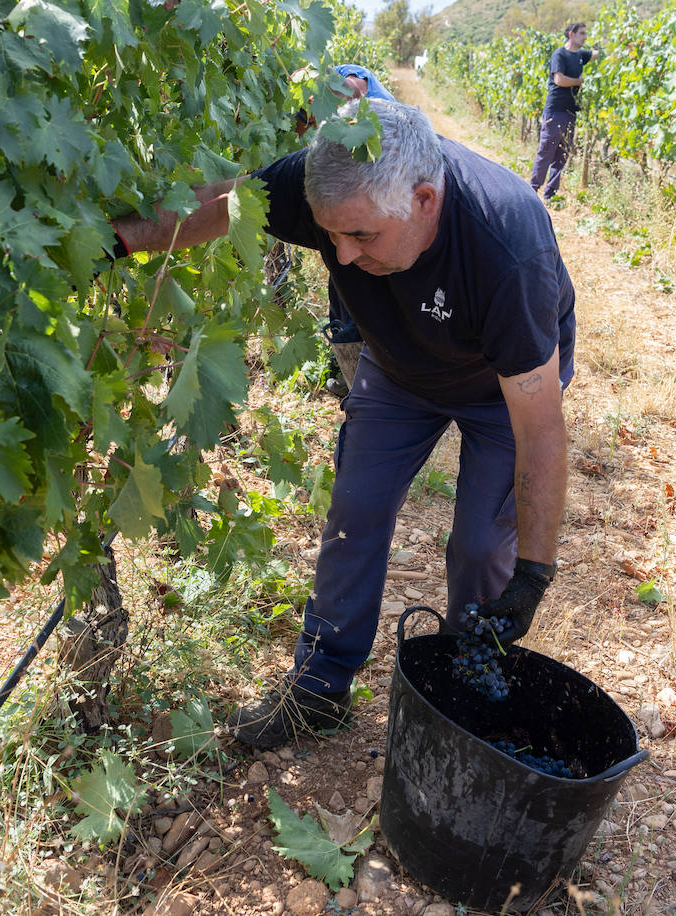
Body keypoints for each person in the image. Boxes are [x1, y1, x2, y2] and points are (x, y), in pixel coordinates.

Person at [112, 98, 574, 749]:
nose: (344, 257)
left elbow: (541, 429)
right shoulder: (327, 189)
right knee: (354, 512)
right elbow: (217, 205)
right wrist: (122, 239)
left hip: (499, 390)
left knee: (479, 546)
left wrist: (536, 572)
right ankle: (318, 690)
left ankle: (467, 689)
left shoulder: (507, 247)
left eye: (362, 236)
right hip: (397, 370)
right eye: (331, 236)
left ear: (424, 200)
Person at [289, 65, 398, 398]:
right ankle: (361, 377)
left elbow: (347, 89)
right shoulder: (348, 81)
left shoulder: (373, 114)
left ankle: (363, 387)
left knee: (354, 287)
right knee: (347, 287)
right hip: (364, 215)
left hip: (367, 214)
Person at [530, 22, 600, 202]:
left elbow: (595, 55)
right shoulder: (559, 54)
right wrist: (579, 81)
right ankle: (532, 191)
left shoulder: (580, 55)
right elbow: (559, 80)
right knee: (546, 152)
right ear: (571, 34)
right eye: (582, 33)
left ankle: (549, 195)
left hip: (570, 112)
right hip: (555, 111)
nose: (585, 36)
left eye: (586, 33)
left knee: (561, 155)